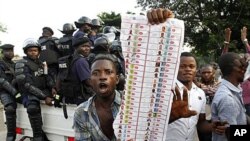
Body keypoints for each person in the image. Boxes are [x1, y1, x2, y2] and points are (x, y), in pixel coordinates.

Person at [15, 38, 56, 141]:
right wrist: (44, 97)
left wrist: (52, 88)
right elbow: (27, 85)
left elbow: (47, 77)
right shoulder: (21, 64)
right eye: (30, 50)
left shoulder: (41, 63)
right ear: (26, 52)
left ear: (38, 52)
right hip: (29, 94)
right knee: (32, 107)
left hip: (42, 91)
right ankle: (38, 136)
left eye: (35, 50)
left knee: (59, 98)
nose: (33, 52)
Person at [73, 53, 121, 140]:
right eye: (96, 73)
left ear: (117, 79)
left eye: (108, 72)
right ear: (90, 81)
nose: (102, 77)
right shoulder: (81, 112)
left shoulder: (131, 105)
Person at [211, 52, 249, 141]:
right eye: (241, 67)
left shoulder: (235, 90)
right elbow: (232, 134)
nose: (245, 69)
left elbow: (241, 116)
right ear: (233, 69)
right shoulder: (227, 98)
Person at [57, 37, 93, 105]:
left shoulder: (68, 59)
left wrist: (57, 97)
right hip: (81, 99)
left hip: (68, 98)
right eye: (83, 46)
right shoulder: (81, 61)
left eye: (88, 46)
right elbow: (88, 81)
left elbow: (59, 80)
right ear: (76, 48)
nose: (87, 48)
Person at [0, 44, 18, 141]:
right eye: (7, 51)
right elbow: (2, 81)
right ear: (2, 52)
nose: (10, 53)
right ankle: (10, 137)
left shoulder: (14, 64)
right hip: (5, 92)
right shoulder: (1, 64)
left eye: (11, 50)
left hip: (16, 91)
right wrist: (15, 92)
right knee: (10, 108)